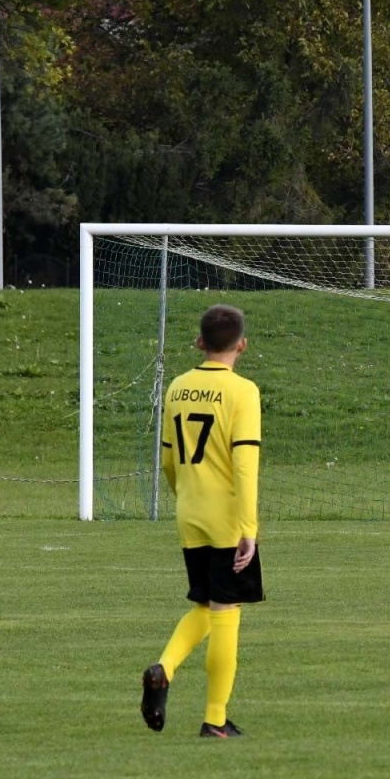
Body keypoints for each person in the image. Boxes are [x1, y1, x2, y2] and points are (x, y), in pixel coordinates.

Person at [139, 304, 264, 739]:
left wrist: (186, 497)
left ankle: (165, 668)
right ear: (242, 345)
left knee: (206, 605)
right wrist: (249, 528)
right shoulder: (243, 391)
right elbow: (245, 466)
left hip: (190, 513)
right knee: (226, 613)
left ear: (199, 343)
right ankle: (215, 719)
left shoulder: (177, 386)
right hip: (227, 517)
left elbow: (168, 459)